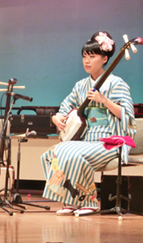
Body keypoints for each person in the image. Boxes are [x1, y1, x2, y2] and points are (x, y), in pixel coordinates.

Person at [41, 31, 136, 215]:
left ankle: (89, 201)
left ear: (105, 59)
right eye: (84, 56)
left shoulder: (117, 84)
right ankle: (71, 198)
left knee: (68, 151)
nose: (87, 61)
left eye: (92, 56)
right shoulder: (80, 86)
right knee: (51, 154)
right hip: (86, 141)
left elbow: (128, 116)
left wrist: (105, 101)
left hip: (110, 141)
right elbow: (64, 107)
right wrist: (56, 117)